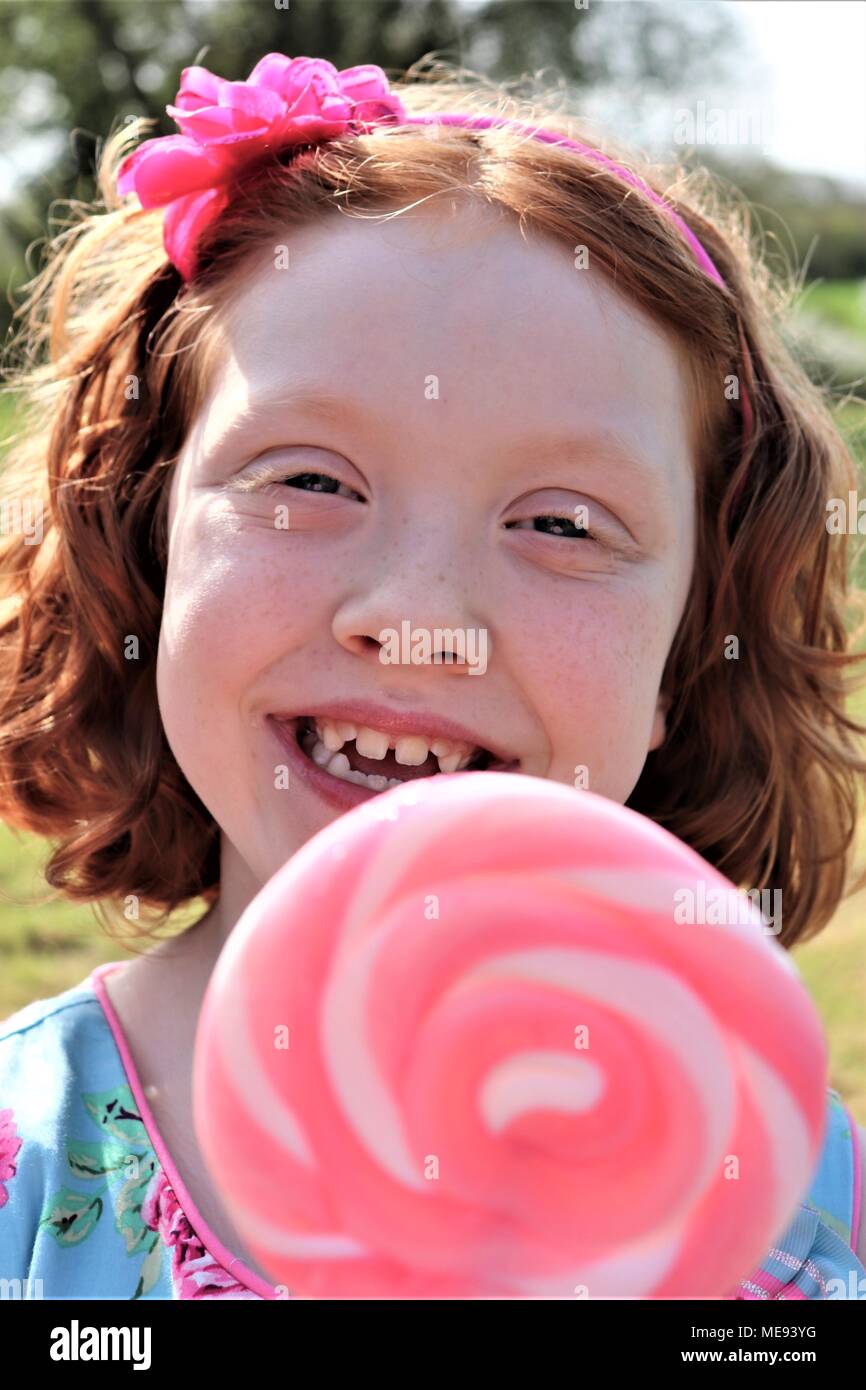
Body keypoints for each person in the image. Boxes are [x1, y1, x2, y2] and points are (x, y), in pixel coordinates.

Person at [0, 52, 863, 1300]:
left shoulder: (787, 1205)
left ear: (688, 642)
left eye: (561, 524)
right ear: (145, 540)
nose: (419, 622)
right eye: (308, 480)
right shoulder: (28, 1166)